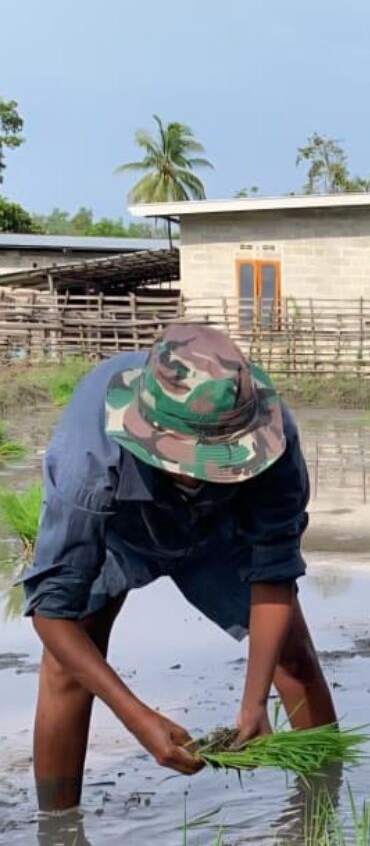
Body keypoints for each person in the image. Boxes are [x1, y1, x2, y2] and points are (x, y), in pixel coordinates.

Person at [24, 323, 337, 810]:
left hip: (219, 524)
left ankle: (327, 806)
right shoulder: (89, 456)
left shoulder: (273, 440)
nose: (201, 471)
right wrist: (135, 716)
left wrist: (254, 704)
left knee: (291, 654)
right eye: (192, 460)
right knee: (68, 667)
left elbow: (273, 574)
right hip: (122, 525)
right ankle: (59, 836)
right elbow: (51, 611)